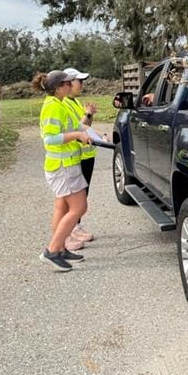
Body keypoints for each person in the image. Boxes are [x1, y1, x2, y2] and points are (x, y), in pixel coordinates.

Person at [32, 70, 92, 272]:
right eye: (68, 83)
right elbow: (49, 139)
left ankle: (61, 248)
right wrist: (77, 134)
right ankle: (52, 250)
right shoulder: (52, 108)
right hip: (62, 168)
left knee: (63, 207)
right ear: (59, 87)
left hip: (67, 166)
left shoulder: (59, 104)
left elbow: (77, 126)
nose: (72, 85)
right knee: (79, 207)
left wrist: (90, 133)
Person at [62, 67, 108, 248]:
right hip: (75, 156)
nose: (81, 84)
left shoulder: (75, 102)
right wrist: (87, 114)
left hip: (86, 154)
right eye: (78, 81)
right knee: (74, 196)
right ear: (68, 83)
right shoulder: (64, 103)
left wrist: (98, 131)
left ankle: (76, 226)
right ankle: (70, 230)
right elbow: (76, 128)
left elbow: (84, 126)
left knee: (83, 193)